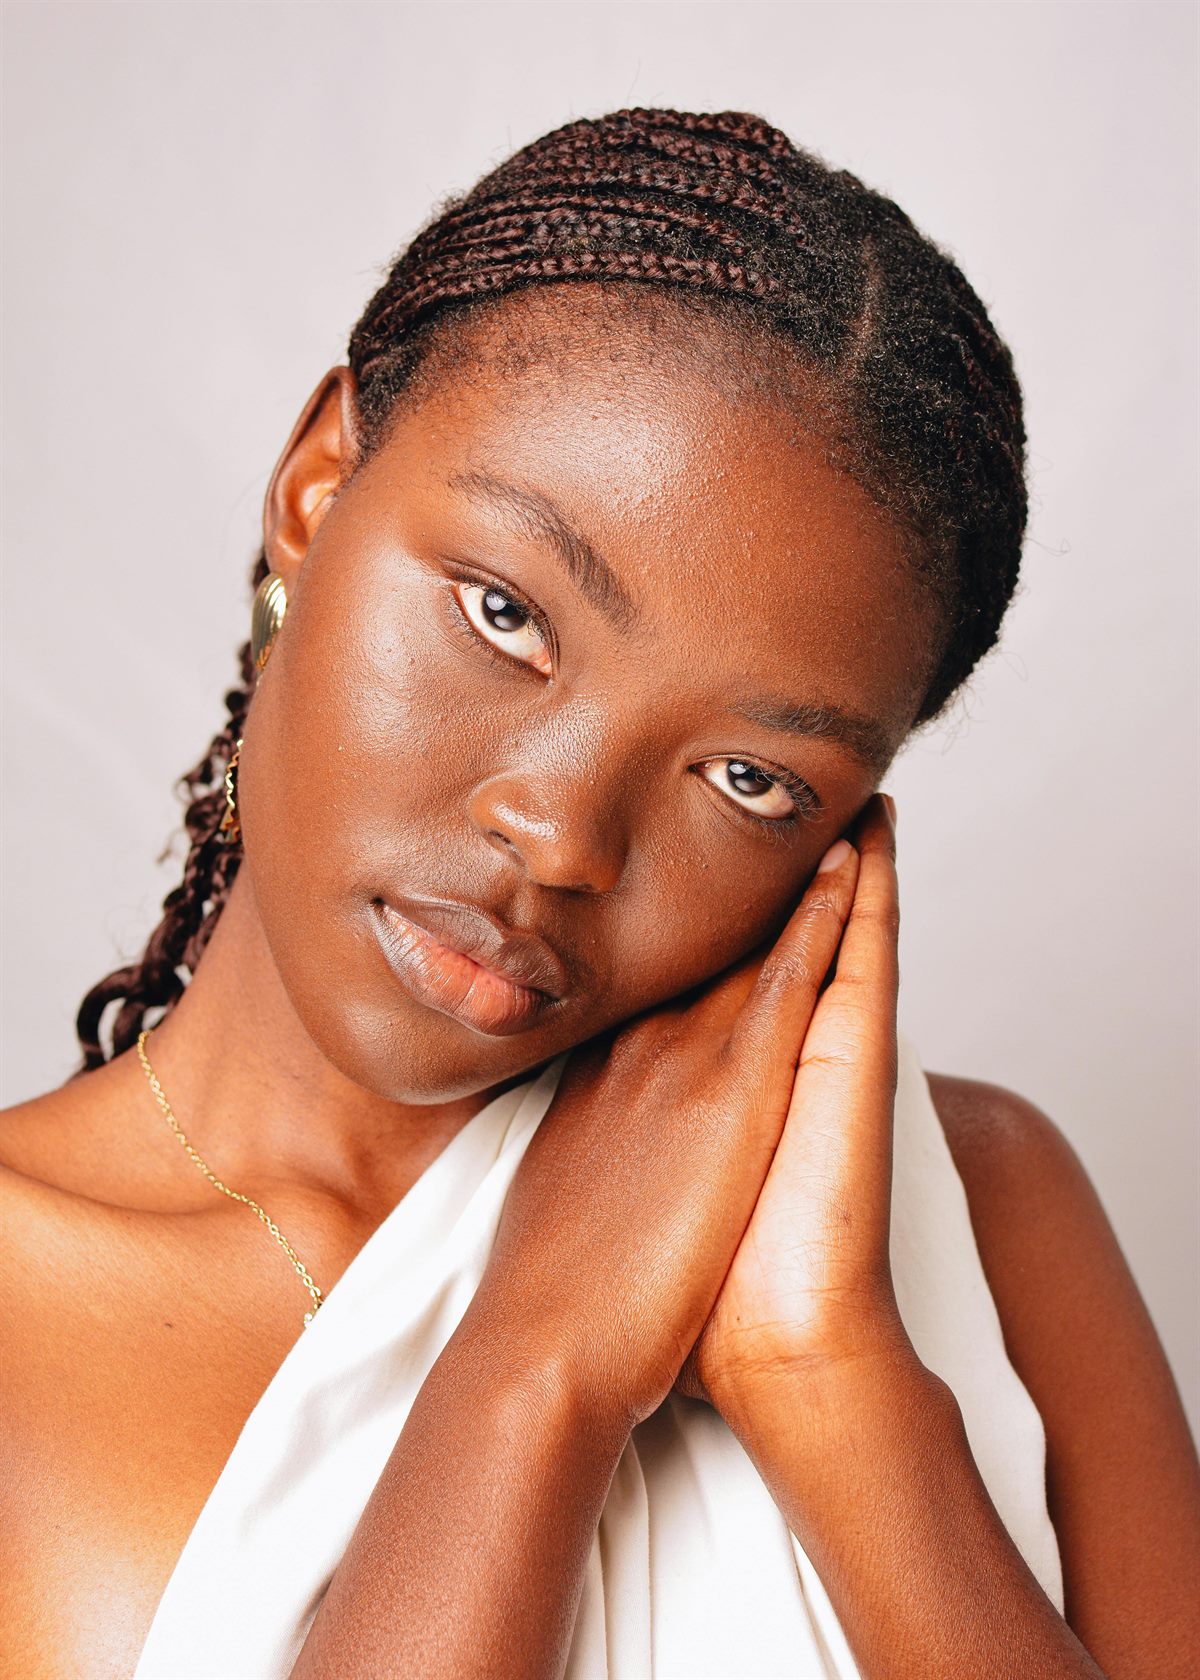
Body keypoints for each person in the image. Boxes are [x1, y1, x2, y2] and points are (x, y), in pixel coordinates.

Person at [1, 107, 1196, 1680]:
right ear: (313, 488)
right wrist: (540, 1365)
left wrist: (828, 1377)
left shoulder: (987, 1209)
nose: (561, 836)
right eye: (505, 613)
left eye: (753, 780)